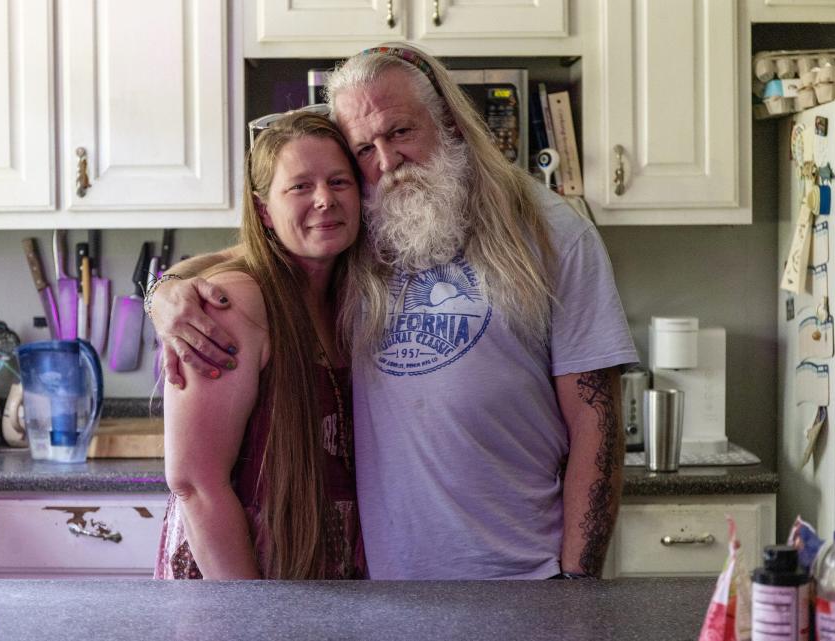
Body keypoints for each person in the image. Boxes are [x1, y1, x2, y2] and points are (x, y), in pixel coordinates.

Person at [149, 43, 638, 580]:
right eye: (362, 148)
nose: (386, 161)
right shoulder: (367, 217)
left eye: (401, 131)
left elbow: (597, 420)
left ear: (447, 120)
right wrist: (166, 289)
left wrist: (577, 580)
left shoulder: (553, 231)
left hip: (524, 574)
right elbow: (261, 248)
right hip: (381, 587)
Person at [154, 111, 366, 580]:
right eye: (300, 187)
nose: (325, 200)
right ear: (265, 210)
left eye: (339, 182)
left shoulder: (350, 298)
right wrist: (251, 618)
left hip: (326, 572)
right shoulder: (234, 302)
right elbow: (194, 484)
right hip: (242, 577)